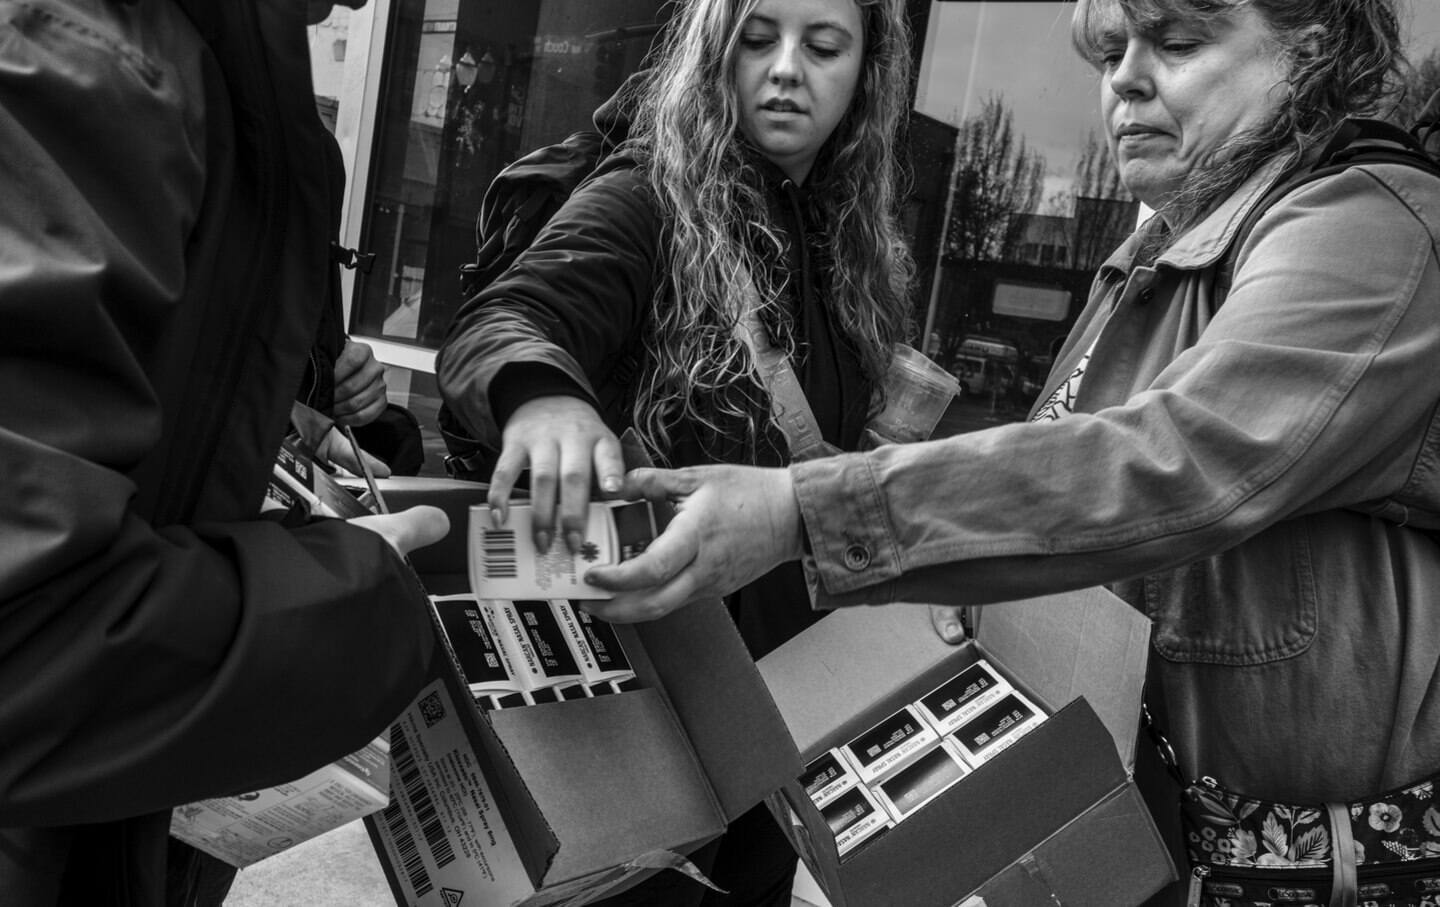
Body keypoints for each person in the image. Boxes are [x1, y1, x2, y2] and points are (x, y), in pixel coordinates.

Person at [584, 1, 1440, 905]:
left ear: (1314, 47)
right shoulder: (1166, 238)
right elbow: (1062, 471)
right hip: (1153, 835)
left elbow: (1181, 458)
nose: (1124, 80)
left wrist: (805, 511)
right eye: (1109, 52)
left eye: (1179, 43)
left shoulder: (1371, 227)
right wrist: (967, 581)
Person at [436, 0, 916, 900]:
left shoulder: (856, 249)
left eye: (822, 46)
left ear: (866, 76)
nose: (785, 69)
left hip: (782, 715)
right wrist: (540, 397)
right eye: (758, 37)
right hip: (641, 705)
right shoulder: (645, 195)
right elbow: (503, 320)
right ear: (715, 50)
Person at [0, 1, 450, 904]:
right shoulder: (95, 61)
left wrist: (285, 416)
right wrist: (365, 597)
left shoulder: (237, 90)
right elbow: (29, 634)